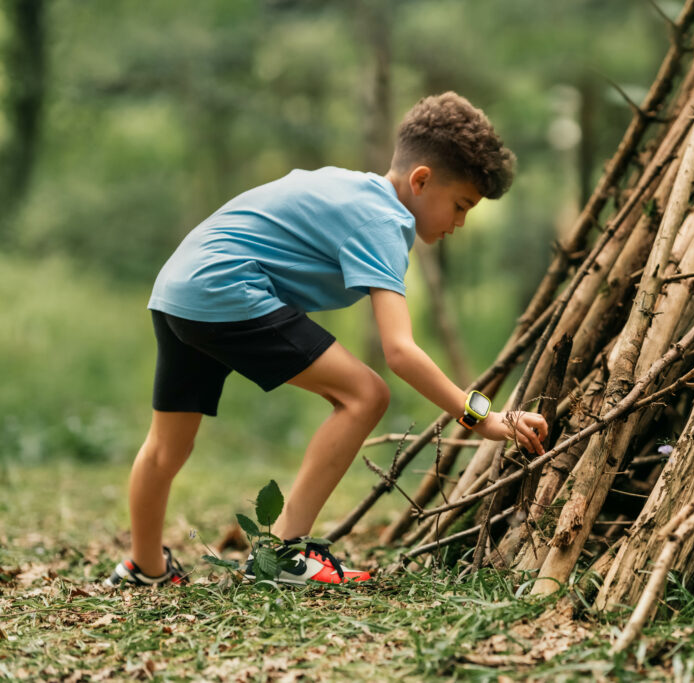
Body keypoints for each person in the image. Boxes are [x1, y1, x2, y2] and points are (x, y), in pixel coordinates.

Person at [105, 92, 549, 587]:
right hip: (226, 287)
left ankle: (144, 566)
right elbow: (399, 352)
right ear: (421, 180)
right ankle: (284, 557)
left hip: (178, 287)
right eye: (460, 205)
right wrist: (484, 417)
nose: (459, 223)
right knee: (366, 393)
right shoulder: (385, 221)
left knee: (166, 447)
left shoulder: (352, 188)